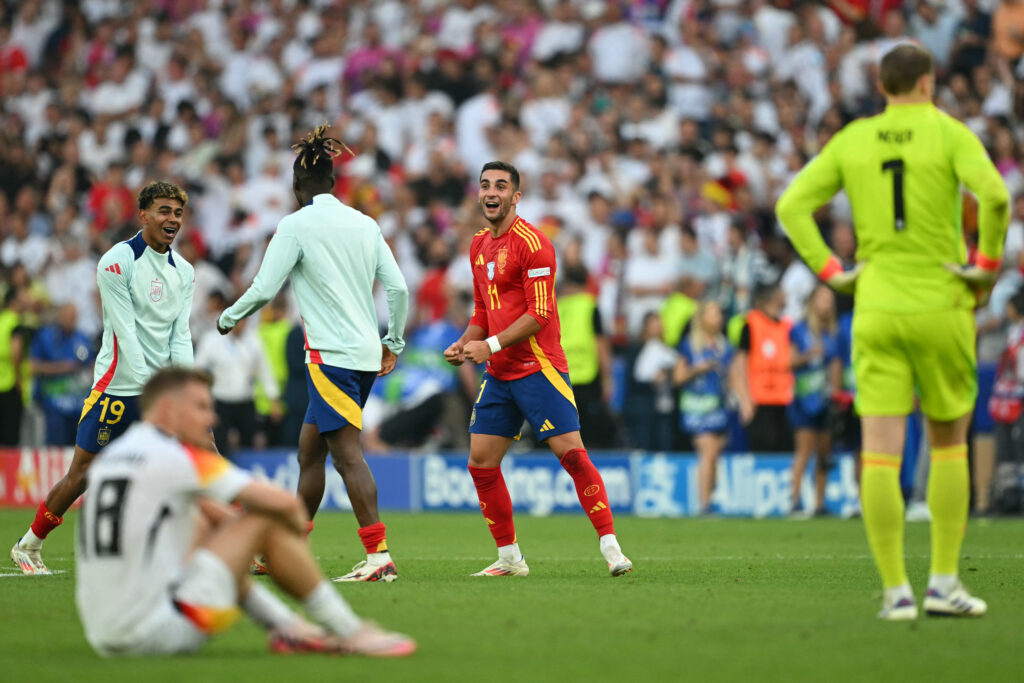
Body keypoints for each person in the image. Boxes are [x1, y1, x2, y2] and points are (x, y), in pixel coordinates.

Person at [775, 44, 1010, 619]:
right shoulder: (950, 132)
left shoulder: (854, 139)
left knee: (880, 453)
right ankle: (945, 584)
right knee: (948, 441)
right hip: (941, 303)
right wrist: (984, 267)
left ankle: (895, 592)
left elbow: (790, 206)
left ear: (882, 87)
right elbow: (998, 196)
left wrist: (834, 273)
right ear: (928, 84)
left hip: (875, 304)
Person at [75, 367, 414, 657]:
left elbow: (215, 518)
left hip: (102, 635)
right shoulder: (178, 458)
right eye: (202, 407)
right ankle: (351, 631)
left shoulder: (114, 456)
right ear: (167, 409)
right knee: (263, 521)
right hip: (155, 633)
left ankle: (290, 627)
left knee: (207, 521)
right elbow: (282, 505)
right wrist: (287, 532)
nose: (213, 418)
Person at [218, 125, 409, 582]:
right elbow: (399, 288)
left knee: (345, 455)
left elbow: (265, 288)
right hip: (363, 354)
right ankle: (286, 548)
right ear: (333, 182)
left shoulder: (295, 225)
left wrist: (229, 317)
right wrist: (394, 342)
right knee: (310, 452)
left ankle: (379, 555)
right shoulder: (366, 223)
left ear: (296, 187)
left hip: (332, 357)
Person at [443, 161, 632, 577]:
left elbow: (541, 313)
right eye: (485, 185)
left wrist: (488, 345)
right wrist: (464, 342)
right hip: (499, 372)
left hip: (537, 367)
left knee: (572, 455)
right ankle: (510, 558)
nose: (491, 192)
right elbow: (482, 311)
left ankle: (612, 547)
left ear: (516, 196)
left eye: (501, 186)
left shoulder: (534, 243)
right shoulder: (477, 245)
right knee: (480, 462)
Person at [11, 181, 196, 575]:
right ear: (143, 214)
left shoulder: (185, 272)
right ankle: (29, 544)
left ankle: (237, 545)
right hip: (118, 388)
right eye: (164, 211)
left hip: (158, 390)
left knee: (204, 450)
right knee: (82, 475)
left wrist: (186, 386)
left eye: (178, 213)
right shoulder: (117, 261)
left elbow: (180, 335)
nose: (172, 220)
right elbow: (125, 332)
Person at [674, 300, 733, 515]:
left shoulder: (725, 346)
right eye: (714, 313)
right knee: (707, 452)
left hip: (718, 405)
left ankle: (710, 498)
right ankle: (704, 503)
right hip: (696, 406)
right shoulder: (689, 345)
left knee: (715, 453)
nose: (719, 318)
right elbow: (678, 377)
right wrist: (696, 370)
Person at [787, 284, 841, 517]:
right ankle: (795, 501)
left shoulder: (833, 333)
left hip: (825, 400)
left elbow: (836, 365)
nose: (826, 305)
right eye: (822, 299)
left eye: (829, 300)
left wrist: (838, 395)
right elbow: (789, 362)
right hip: (804, 399)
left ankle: (820, 503)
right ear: (812, 302)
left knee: (824, 452)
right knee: (804, 450)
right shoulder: (798, 330)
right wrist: (808, 355)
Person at [194, 316, 281, 455]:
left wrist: (273, 399)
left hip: (245, 401)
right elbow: (198, 369)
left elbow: (265, 371)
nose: (240, 324)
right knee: (219, 444)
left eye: (243, 319)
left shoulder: (254, 340)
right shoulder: (211, 340)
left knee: (249, 445)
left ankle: (246, 475)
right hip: (220, 402)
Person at [731, 283, 795, 453]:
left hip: (784, 401)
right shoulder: (751, 324)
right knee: (763, 451)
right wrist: (745, 400)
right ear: (774, 297)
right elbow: (739, 364)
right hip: (759, 401)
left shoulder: (786, 325)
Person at [29, 302, 95, 446]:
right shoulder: (45, 337)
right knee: (56, 444)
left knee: (78, 445)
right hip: (53, 403)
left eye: (74, 317)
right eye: (68, 317)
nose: (72, 320)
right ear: (60, 316)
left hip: (78, 404)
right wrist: (61, 368)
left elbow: (92, 365)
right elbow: (33, 367)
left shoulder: (83, 338)